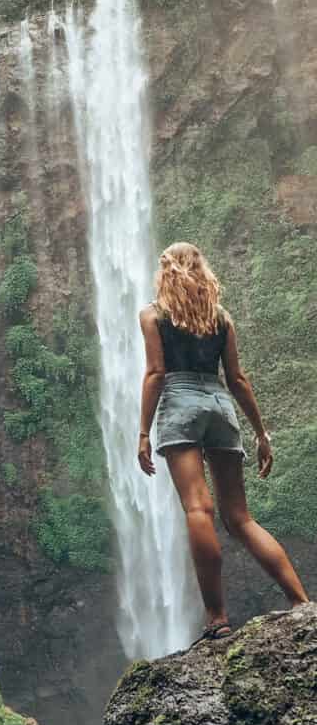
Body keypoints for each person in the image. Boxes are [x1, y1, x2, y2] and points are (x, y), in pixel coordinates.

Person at [137, 241, 308, 643]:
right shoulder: (221, 319)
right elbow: (237, 380)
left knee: (198, 507)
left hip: (179, 403)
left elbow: (156, 374)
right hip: (219, 404)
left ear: (166, 272)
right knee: (241, 519)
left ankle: (216, 617)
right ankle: (301, 601)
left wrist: (144, 432)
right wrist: (261, 433)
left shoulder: (152, 316)